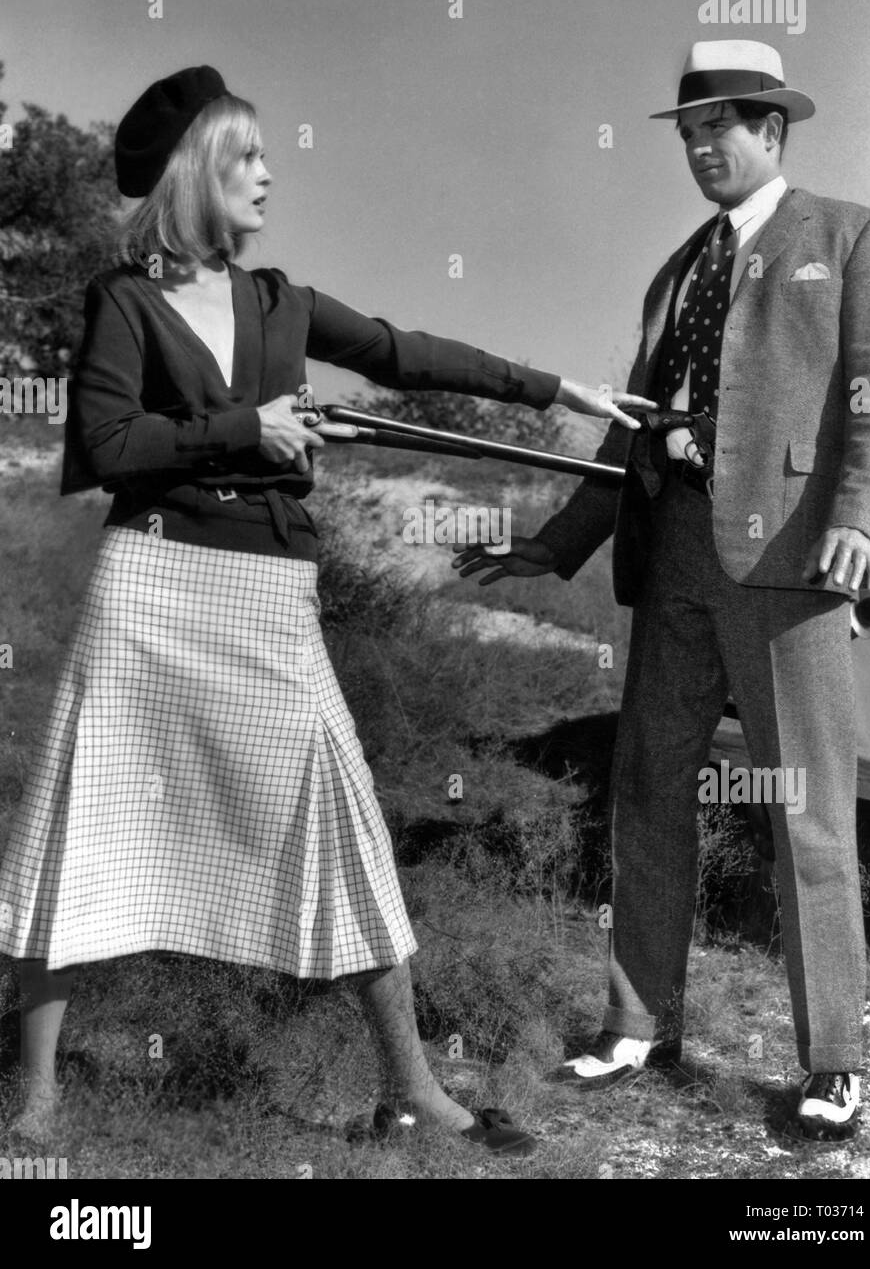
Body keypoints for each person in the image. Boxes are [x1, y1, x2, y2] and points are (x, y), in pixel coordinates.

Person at [0, 65, 654, 1155]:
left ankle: (409, 1088)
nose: (266, 176)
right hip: (151, 588)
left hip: (265, 594)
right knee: (86, 823)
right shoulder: (123, 300)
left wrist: (554, 389)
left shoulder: (278, 301)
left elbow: (405, 352)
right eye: (246, 157)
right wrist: (241, 429)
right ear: (194, 171)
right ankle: (39, 1097)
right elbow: (103, 450)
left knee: (339, 822)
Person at [455, 40, 870, 1142]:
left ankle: (833, 1063)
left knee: (805, 809)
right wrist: (553, 548)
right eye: (690, 131)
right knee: (648, 792)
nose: (704, 147)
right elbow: (634, 442)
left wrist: (858, 521)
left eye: (724, 126)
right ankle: (635, 1024)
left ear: (772, 131)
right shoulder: (676, 270)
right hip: (670, 567)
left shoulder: (850, 235)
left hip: (792, 565)